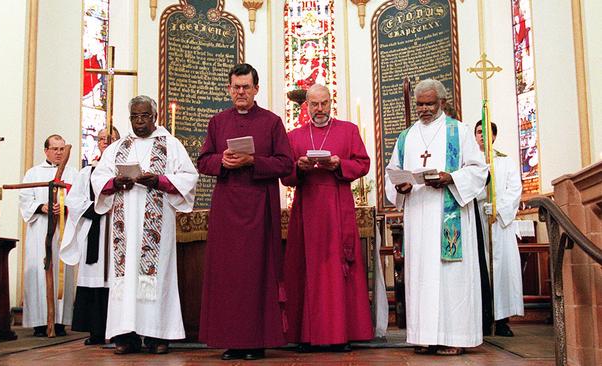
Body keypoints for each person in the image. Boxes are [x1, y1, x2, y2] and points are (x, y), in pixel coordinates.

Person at [385, 79, 488, 355]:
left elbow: (479, 171)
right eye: (419, 104)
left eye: (429, 103)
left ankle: (454, 338)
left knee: (450, 277)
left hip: (448, 215)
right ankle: (425, 336)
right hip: (418, 215)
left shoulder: (459, 131)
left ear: (442, 102)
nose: (424, 109)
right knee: (421, 277)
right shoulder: (406, 136)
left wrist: (450, 177)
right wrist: (401, 185)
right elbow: (392, 171)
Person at [198, 63, 293, 361]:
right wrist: (222, 162)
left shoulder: (272, 122)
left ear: (256, 89)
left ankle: (257, 341)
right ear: (229, 89)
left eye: (246, 87)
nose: (240, 92)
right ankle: (230, 340)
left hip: (259, 207)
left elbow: (285, 164)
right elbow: (203, 161)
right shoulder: (217, 122)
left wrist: (253, 161)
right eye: (236, 87)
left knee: (257, 275)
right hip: (226, 208)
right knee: (228, 276)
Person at [91, 95, 198, 354]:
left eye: (144, 116)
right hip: (124, 224)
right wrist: (115, 183)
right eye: (135, 117)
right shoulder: (117, 147)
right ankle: (125, 335)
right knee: (125, 279)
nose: (139, 122)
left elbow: (188, 176)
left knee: (157, 277)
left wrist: (158, 181)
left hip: (156, 226)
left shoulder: (171, 145)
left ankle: (157, 335)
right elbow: (98, 176)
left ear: (155, 116)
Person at [281, 84, 373, 352]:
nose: (319, 109)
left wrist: (339, 164)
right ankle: (307, 336)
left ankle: (340, 334)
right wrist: (298, 167)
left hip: (337, 205)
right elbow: (285, 175)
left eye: (324, 103)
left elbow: (363, 163)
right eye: (314, 104)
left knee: (336, 271)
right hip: (306, 206)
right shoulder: (294, 136)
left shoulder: (348, 130)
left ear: (331, 102)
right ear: (306, 106)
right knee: (306, 270)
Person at [60, 127, 120, 346]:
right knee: (95, 278)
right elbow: (73, 201)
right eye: (102, 138)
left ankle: (119, 331)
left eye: (111, 138)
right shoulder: (87, 172)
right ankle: (95, 330)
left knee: (116, 279)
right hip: (95, 229)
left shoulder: (122, 170)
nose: (106, 141)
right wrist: (95, 209)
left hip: (116, 230)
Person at [19, 135, 78, 337]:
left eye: (62, 149)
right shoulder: (33, 173)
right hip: (40, 231)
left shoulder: (73, 173)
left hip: (63, 230)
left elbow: (79, 199)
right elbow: (25, 200)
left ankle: (60, 322)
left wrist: (65, 207)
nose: (59, 152)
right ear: (46, 151)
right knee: (39, 273)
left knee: (64, 274)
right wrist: (42, 207)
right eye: (55, 149)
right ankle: (40, 322)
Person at [474, 121, 524, 337]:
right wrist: (480, 202)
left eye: (486, 132)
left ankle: (502, 320)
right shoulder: (470, 163)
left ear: (494, 136)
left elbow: (515, 190)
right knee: (480, 269)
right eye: (478, 132)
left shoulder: (506, 162)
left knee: (502, 270)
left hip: (500, 224)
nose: (482, 136)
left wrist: (498, 209)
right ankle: (482, 318)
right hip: (477, 222)